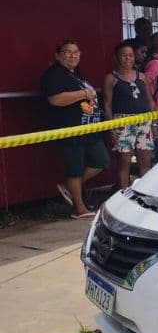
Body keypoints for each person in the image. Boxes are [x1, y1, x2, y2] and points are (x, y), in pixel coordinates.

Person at [40, 39, 109, 219]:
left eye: (76, 52)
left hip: (90, 128)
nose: (72, 56)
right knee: (75, 169)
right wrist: (84, 94)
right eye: (67, 52)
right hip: (70, 130)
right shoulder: (53, 74)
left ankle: (68, 186)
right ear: (57, 55)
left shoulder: (76, 74)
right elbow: (55, 99)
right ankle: (80, 209)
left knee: (101, 161)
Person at [103, 43, 157, 189]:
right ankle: (123, 196)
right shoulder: (111, 78)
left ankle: (145, 193)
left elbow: (150, 101)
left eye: (131, 55)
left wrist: (154, 123)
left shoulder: (142, 76)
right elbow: (107, 105)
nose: (128, 58)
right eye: (124, 55)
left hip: (144, 121)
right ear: (117, 58)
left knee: (145, 162)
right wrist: (111, 128)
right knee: (124, 163)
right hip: (122, 122)